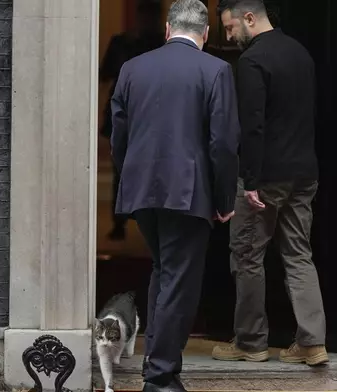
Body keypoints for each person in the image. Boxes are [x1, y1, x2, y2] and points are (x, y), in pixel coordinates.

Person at [110, 0, 240, 390]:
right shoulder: (216, 70)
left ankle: (157, 362)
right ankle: (161, 377)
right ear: (206, 33)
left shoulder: (133, 68)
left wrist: (130, 175)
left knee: (164, 273)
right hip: (188, 194)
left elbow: (119, 135)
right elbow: (223, 144)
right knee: (179, 283)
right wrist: (223, 200)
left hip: (142, 190)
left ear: (168, 29)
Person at [211, 0, 328, 367]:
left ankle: (250, 342)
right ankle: (312, 343)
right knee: (298, 254)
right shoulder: (300, 53)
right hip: (304, 173)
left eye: (231, 28)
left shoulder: (252, 61)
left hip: (265, 177)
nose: (229, 37)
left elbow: (254, 126)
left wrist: (250, 181)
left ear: (250, 18)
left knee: (247, 256)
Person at [100, 1, 165, 241]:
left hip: (150, 115)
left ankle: (143, 221)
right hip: (126, 113)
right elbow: (105, 75)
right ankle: (120, 221)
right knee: (121, 169)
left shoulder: (161, 44)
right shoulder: (122, 42)